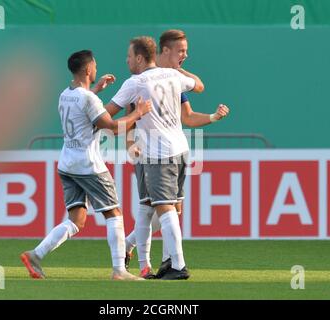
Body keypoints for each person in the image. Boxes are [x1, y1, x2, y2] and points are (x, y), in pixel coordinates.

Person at [20, 50, 151, 281]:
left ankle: (36, 255)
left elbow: (82, 104)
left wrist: (97, 89)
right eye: (95, 66)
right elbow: (112, 128)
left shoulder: (66, 94)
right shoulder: (88, 98)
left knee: (76, 220)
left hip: (67, 163)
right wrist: (138, 112)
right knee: (114, 213)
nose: (97, 70)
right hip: (88, 164)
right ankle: (119, 270)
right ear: (88, 69)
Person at [123, 30, 230, 279]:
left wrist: (213, 117)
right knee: (151, 208)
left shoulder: (173, 79)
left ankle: (153, 255)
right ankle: (158, 263)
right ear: (164, 52)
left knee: (169, 209)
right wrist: (130, 144)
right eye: (181, 51)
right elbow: (130, 118)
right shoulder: (140, 80)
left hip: (173, 150)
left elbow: (188, 117)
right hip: (148, 152)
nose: (186, 55)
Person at [104, 36, 203, 280]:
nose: (126, 60)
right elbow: (199, 86)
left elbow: (106, 116)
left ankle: (178, 266)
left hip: (157, 153)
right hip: (180, 148)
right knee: (166, 206)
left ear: (139, 57)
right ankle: (165, 263)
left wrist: (94, 99)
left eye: (129, 56)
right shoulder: (172, 76)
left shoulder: (135, 82)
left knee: (164, 207)